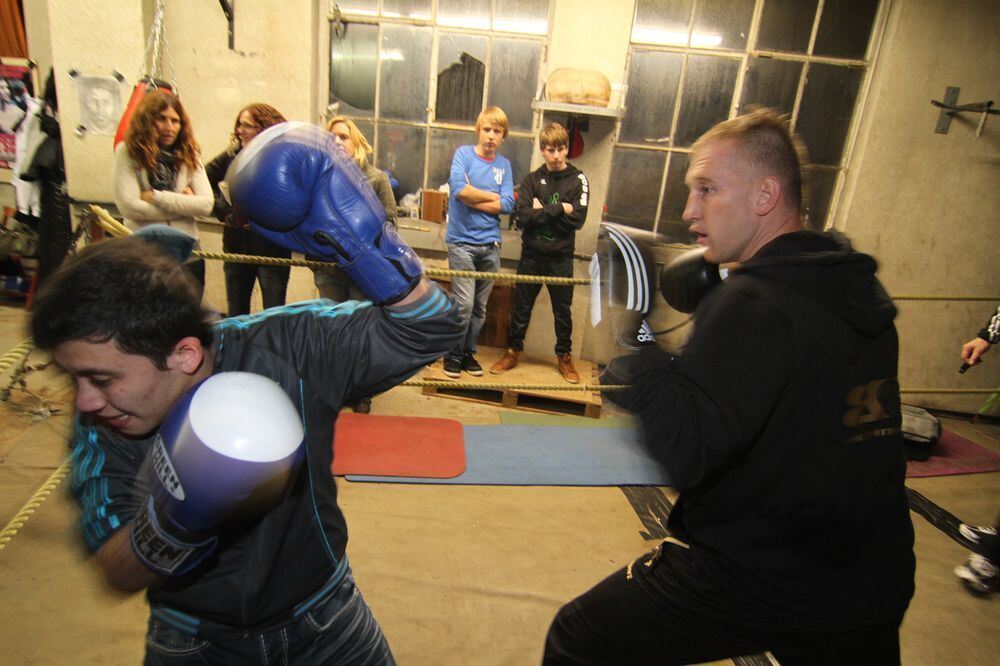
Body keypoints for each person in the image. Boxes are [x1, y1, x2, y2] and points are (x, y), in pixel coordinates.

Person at [31, 122, 461, 664]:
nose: (85, 401)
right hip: (195, 638)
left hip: (326, 613)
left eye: (101, 378)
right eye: (74, 379)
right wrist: (173, 518)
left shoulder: (287, 345)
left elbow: (436, 328)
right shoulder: (101, 424)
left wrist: (363, 249)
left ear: (184, 354)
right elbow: (116, 572)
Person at [543, 108, 915, 664]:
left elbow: (686, 451)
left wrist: (638, 335)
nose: (690, 211)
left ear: (765, 195)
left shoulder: (753, 305)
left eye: (708, 189)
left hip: (766, 575)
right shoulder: (853, 288)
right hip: (872, 574)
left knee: (579, 636)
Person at [311, 115, 399, 413]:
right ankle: (336, 388)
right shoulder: (319, 177)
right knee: (333, 331)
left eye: (343, 136)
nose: (337, 141)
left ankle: (362, 390)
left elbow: (390, 221)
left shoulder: (376, 179)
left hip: (363, 268)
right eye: (332, 136)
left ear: (357, 142)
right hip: (329, 266)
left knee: (361, 332)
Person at [489, 123, 589, 383]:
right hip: (532, 256)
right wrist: (560, 208)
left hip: (561, 259)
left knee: (562, 312)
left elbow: (577, 220)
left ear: (567, 149)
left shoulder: (578, 180)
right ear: (542, 150)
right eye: (550, 150)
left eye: (561, 149)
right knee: (521, 308)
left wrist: (541, 210)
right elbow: (522, 216)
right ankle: (512, 352)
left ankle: (564, 358)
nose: (556, 155)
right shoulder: (532, 179)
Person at [112, 91, 212, 291]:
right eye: (162, 119)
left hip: (187, 248)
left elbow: (206, 205)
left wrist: (156, 197)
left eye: (175, 121)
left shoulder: (189, 153)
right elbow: (130, 207)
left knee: (189, 312)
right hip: (143, 249)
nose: (169, 127)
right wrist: (185, 205)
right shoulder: (128, 151)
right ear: (148, 120)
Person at [443, 106, 515, 378]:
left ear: (503, 135)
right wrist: (490, 198)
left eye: (497, 131)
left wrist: (476, 197)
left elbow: (508, 204)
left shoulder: (504, 165)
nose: (491, 136)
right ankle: (452, 353)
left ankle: (467, 354)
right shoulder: (463, 155)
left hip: (491, 245)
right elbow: (460, 190)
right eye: (487, 129)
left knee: (480, 308)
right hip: (461, 243)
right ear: (478, 129)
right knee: (464, 305)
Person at [204, 103, 291, 317]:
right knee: (237, 311)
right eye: (239, 125)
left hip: (272, 247)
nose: (240, 131)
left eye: (247, 126)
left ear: (264, 129)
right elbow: (203, 179)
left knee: (274, 312)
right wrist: (224, 210)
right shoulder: (231, 154)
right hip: (237, 243)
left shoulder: (282, 156)